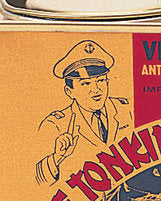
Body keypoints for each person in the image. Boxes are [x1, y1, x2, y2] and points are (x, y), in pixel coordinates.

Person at [36, 40, 132, 186]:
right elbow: (38, 184)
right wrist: (57, 158)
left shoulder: (126, 110)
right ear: (69, 91)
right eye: (86, 83)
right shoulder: (55, 124)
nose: (96, 90)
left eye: (101, 80)